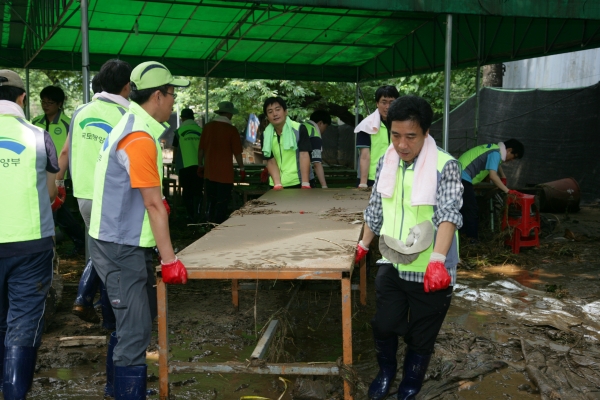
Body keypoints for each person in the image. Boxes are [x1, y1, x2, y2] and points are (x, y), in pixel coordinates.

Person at [88, 61, 189, 399]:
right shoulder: (139, 138)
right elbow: (153, 205)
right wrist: (170, 259)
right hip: (121, 247)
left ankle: (115, 390)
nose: (174, 102)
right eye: (172, 95)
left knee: (128, 324)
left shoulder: (126, 125)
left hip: (116, 241)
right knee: (134, 332)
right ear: (158, 96)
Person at [355, 95, 463, 400]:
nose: (402, 145)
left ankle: (411, 383)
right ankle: (387, 370)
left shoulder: (446, 165)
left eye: (411, 136)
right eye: (395, 135)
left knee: (421, 335)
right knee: (384, 324)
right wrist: (363, 245)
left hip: (432, 267)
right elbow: (375, 209)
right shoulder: (386, 162)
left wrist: (439, 260)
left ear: (426, 132)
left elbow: (449, 214)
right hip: (392, 260)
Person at [56, 60, 132, 394]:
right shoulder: (125, 115)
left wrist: (57, 184)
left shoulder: (80, 111)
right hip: (112, 195)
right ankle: (93, 302)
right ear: (127, 87)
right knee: (109, 253)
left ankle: (91, 301)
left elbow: (66, 150)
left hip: (83, 194)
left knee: (97, 247)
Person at [0, 70, 59, 398]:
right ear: (23, 98)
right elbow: (50, 194)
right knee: (21, 325)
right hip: (31, 246)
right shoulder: (39, 136)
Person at [31, 85, 86, 254]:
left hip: (61, 176)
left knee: (55, 209)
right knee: (58, 211)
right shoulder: (35, 123)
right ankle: (79, 240)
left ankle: (52, 247)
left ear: (60, 104)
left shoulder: (68, 124)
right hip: (39, 174)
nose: (45, 105)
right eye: (43, 102)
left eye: (50, 102)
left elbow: (73, 151)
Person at [458, 139, 525, 240]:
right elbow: (493, 176)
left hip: (458, 174)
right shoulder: (495, 153)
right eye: (514, 157)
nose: (512, 160)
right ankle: (472, 240)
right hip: (462, 177)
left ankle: (462, 236)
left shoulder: (494, 149)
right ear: (509, 150)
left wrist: (503, 176)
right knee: (472, 210)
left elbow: (495, 164)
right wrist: (508, 191)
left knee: (463, 208)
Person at [198, 101, 244, 224]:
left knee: (211, 200)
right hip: (225, 174)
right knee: (222, 202)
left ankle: (208, 222)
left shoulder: (207, 127)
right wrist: (242, 168)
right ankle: (218, 225)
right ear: (230, 114)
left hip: (209, 172)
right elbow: (237, 153)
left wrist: (200, 165)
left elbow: (201, 149)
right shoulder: (231, 130)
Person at [261, 96, 312, 189]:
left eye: (277, 109)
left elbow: (304, 155)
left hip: (300, 182)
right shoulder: (265, 135)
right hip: (277, 184)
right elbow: (271, 160)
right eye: (270, 112)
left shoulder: (299, 129)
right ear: (267, 117)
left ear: (285, 111)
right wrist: (277, 184)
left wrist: (305, 183)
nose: (275, 114)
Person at [355, 85, 399, 188]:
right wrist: (363, 183)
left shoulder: (403, 124)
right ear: (377, 103)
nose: (387, 106)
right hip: (372, 179)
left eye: (391, 102)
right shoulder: (366, 125)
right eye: (384, 102)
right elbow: (364, 156)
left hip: (397, 175)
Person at [172, 108, 202, 221]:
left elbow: (175, 149)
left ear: (182, 118)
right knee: (198, 190)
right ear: (193, 117)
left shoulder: (179, 131)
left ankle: (190, 214)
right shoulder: (200, 130)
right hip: (199, 165)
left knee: (187, 191)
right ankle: (198, 212)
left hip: (185, 165)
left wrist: (174, 162)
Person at [304, 110, 331, 188]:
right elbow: (316, 163)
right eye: (326, 127)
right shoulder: (314, 133)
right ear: (320, 123)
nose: (324, 130)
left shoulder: (298, 127)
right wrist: (324, 186)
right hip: (305, 178)